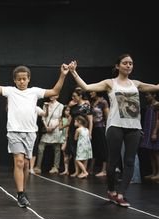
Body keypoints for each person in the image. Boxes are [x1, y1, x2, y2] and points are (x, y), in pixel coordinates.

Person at [68, 54, 159, 207]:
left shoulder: (135, 84)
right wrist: (73, 72)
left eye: (131, 63)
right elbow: (87, 87)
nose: (128, 65)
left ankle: (121, 194)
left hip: (134, 127)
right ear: (118, 66)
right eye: (125, 63)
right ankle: (111, 190)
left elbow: (156, 87)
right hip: (115, 126)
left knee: (129, 161)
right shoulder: (110, 83)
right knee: (113, 161)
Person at [0, 56, 69, 208]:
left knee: (25, 164)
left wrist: (63, 75)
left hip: (30, 133)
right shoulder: (10, 91)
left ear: (29, 79)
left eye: (24, 79)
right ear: (15, 80)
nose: (22, 82)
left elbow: (55, 90)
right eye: (19, 79)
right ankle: (20, 194)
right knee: (18, 161)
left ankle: (22, 190)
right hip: (14, 131)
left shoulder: (35, 92)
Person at [33, 95, 64, 174]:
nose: (51, 96)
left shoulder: (60, 106)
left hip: (55, 128)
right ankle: (38, 166)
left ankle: (55, 167)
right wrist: (46, 127)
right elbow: (43, 117)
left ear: (57, 96)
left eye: (54, 95)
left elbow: (60, 118)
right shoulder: (45, 104)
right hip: (47, 128)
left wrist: (54, 127)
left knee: (57, 148)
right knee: (41, 147)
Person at [139, 92, 159, 182]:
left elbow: (158, 120)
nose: (146, 97)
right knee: (150, 152)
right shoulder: (148, 106)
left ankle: (158, 174)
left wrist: (155, 131)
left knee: (156, 153)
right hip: (148, 130)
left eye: (148, 95)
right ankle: (154, 172)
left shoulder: (157, 105)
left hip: (154, 131)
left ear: (154, 95)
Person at [89, 91, 109, 177]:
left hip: (101, 127)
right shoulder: (93, 102)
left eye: (92, 92)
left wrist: (107, 129)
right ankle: (91, 168)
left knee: (103, 148)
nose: (90, 93)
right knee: (94, 148)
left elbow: (107, 116)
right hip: (94, 128)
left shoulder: (103, 102)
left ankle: (104, 170)